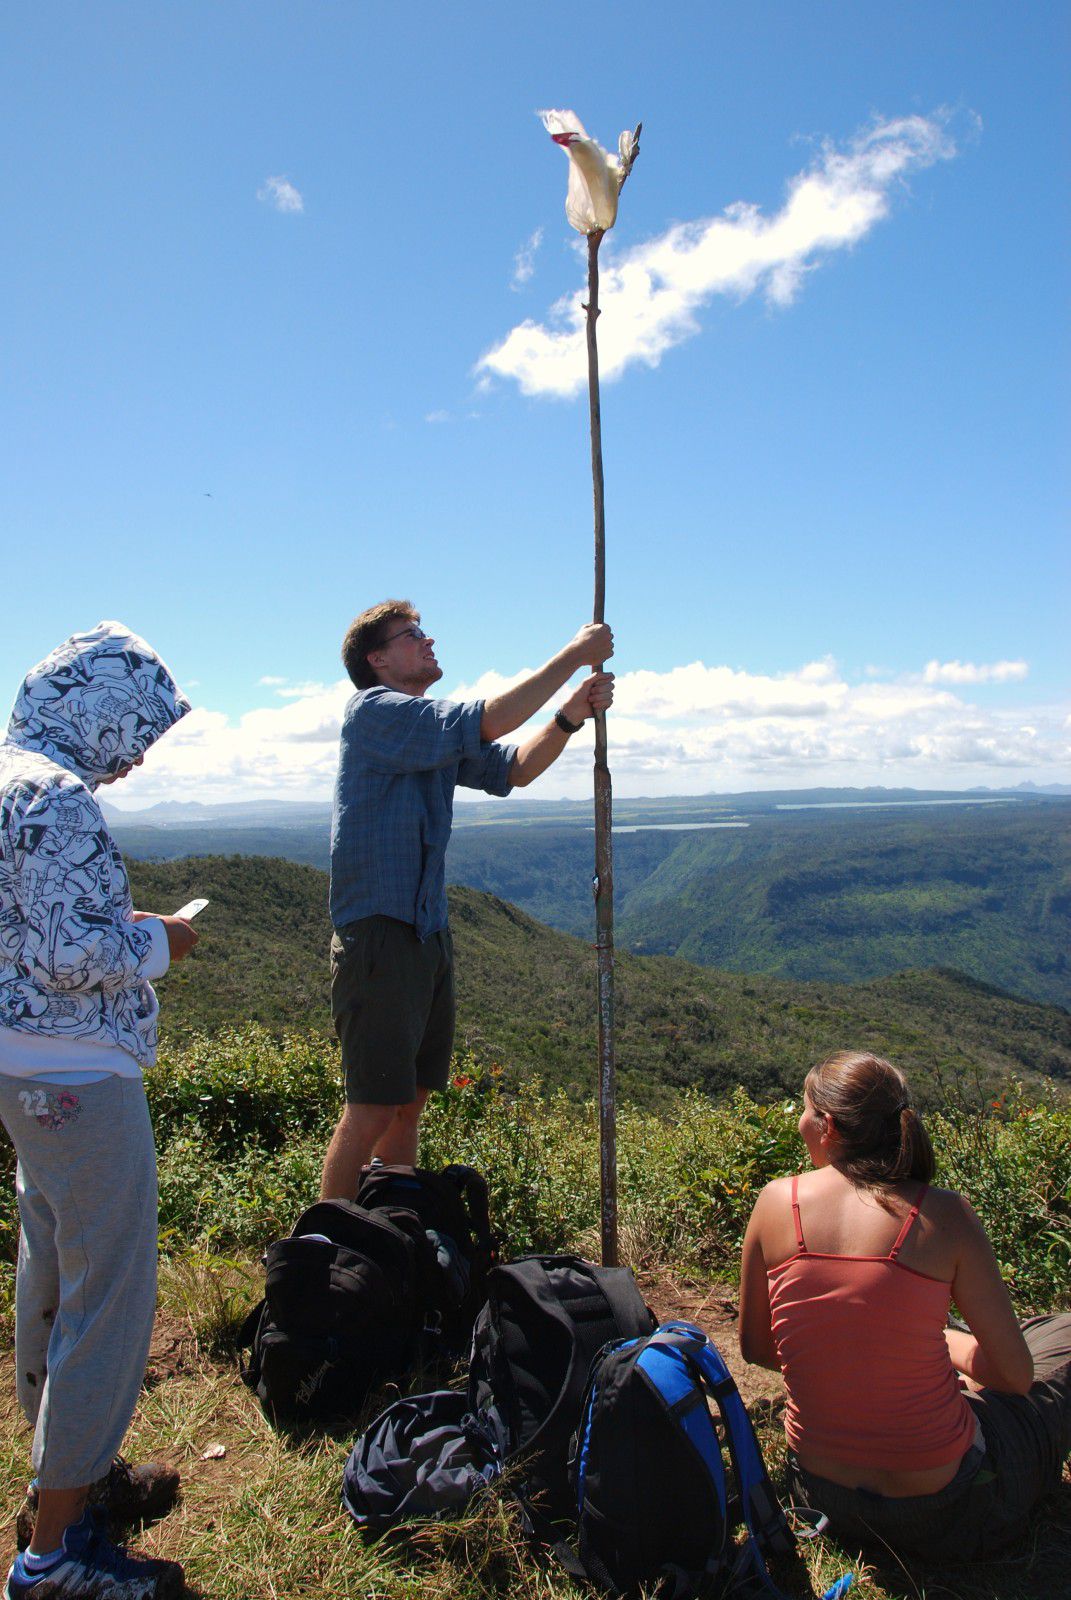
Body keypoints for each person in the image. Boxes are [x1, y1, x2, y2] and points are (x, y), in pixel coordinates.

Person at [1, 622, 199, 1600]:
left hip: (21, 1075)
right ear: (98, 705)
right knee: (108, 1297)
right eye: (136, 731)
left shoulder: (6, 777)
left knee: (52, 1267)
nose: (133, 757)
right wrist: (161, 942)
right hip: (79, 1075)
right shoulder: (56, 794)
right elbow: (69, 957)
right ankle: (54, 1553)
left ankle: (62, 1481)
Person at [321, 600, 614, 1200]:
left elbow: (515, 770)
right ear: (377, 659)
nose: (428, 642)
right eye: (412, 636)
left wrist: (568, 717)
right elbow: (491, 720)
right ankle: (327, 1252)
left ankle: (391, 1223)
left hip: (426, 932)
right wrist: (575, 655)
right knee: (373, 1107)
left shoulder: (422, 727)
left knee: (409, 1103)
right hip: (380, 931)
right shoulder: (375, 713)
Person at [738, 1050, 1071, 1563]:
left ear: (826, 1126)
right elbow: (1014, 1377)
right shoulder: (944, 1215)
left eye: (802, 1110)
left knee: (1008, 1329)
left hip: (821, 1498)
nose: (799, 1121)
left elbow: (759, 1347)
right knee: (1060, 1334)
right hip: (946, 1508)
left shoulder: (776, 1203)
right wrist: (942, 1347)